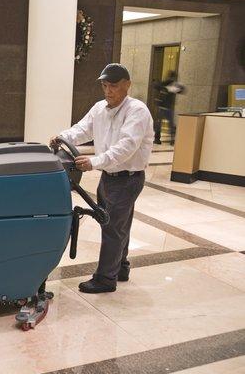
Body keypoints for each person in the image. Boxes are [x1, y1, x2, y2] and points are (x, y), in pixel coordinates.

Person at [50, 63, 154, 293]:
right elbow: (82, 129)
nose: (108, 91)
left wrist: (94, 162)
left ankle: (106, 279)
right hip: (110, 177)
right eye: (105, 86)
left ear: (127, 85)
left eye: (113, 86)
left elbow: (126, 147)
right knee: (119, 223)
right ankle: (121, 267)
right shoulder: (100, 108)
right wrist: (62, 137)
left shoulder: (136, 111)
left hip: (128, 178)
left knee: (112, 227)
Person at [154, 70, 184, 145]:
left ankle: (160, 139)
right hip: (166, 107)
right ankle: (170, 140)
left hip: (165, 108)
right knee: (165, 125)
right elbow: (156, 86)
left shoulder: (171, 85)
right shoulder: (168, 84)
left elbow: (182, 89)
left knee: (161, 125)